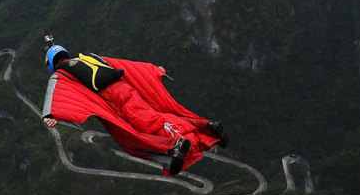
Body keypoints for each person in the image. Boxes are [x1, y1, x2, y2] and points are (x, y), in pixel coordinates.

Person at [40, 38, 226, 176]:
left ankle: (174, 148)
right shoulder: (89, 58)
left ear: (51, 64)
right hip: (129, 90)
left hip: (115, 101)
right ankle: (204, 128)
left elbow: (58, 97)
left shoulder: (60, 76)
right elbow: (126, 65)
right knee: (158, 117)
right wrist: (154, 70)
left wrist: (51, 115)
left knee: (133, 140)